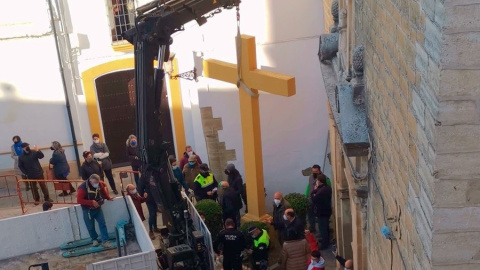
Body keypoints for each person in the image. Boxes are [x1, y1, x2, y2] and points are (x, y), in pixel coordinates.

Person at [77, 174, 114, 248]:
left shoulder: (99, 184)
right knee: (90, 226)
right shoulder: (82, 188)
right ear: (90, 181)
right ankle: (94, 239)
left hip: (97, 208)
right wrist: (91, 202)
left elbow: (103, 190)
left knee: (102, 223)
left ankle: (105, 241)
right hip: (87, 210)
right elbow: (79, 200)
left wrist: (108, 197)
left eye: (98, 182)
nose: (97, 184)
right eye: (95, 183)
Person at [310, 174, 332, 249]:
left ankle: (324, 244)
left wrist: (313, 192)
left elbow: (314, 199)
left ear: (320, 181)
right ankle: (326, 240)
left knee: (323, 228)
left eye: (317, 180)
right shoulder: (326, 187)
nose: (316, 181)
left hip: (322, 212)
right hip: (326, 211)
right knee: (325, 227)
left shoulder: (322, 190)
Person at [306, 165, 330, 233]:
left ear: (319, 171)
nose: (314, 173)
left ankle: (321, 232)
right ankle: (312, 228)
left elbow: (327, 190)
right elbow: (309, 186)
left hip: (319, 201)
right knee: (310, 214)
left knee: (320, 219)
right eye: (313, 171)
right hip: (311, 199)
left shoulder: (325, 179)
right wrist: (306, 195)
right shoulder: (310, 177)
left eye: (316, 172)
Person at [137, 174, 162, 240]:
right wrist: (143, 194)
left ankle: (155, 227)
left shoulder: (155, 174)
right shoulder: (144, 177)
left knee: (155, 213)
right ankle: (150, 231)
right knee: (152, 213)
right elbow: (139, 188)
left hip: (156, 197)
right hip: (149, 198)